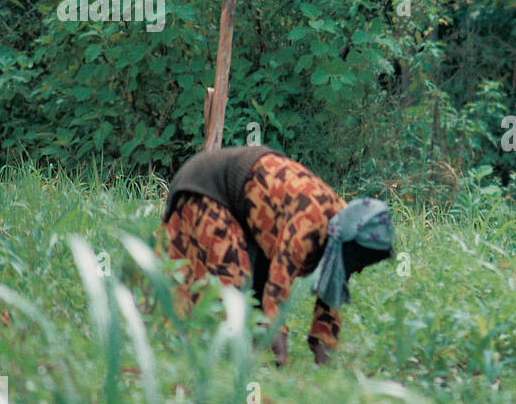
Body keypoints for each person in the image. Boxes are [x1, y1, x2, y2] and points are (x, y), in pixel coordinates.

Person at [160, 146, 393, 365]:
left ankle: (243, 349)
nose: (361, 269)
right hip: (207, 185)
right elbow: (277, 289)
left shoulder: (342, 231)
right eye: (363, 261)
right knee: (231, 283)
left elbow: (330, 293)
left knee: (253, 283)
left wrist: (324, 359)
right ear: (352, 247)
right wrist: (280, 358)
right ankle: (213, 355)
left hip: (247, 209)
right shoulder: (310, 223)